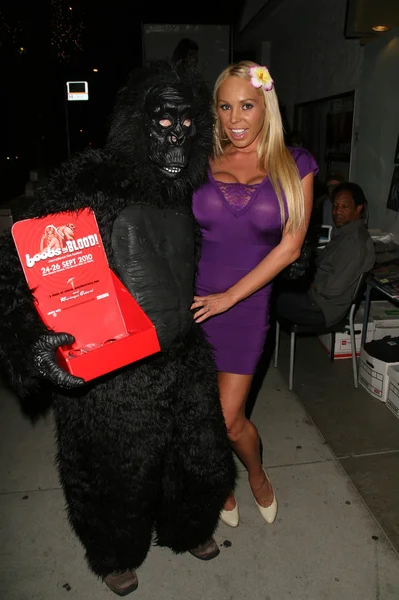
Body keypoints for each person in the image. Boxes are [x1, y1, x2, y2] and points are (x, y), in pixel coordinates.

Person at [0, 61, 236, 596]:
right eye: (162, 124)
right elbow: (16, 269)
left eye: (186, 126)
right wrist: (29, 344)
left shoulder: (191, 189)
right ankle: (114, 553)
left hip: (183, 351)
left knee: (199, 458)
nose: (175, 141)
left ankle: (188, 527)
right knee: (115, 475)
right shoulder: (90, 182)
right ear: (137, 124)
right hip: (115, 366)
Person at [191, 61, 317, 527]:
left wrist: (229, 298)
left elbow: (291, 246)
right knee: (198, 416)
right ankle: (219, 482)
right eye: (225, 106)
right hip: (194, 303)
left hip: (246, 306)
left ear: (266, 106)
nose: (235, 118)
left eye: (246, 105)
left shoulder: (295, 163)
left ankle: (257, 474)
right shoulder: (200, 159)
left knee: (228, 420)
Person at [276, 182, 376, 327]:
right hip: (317, 297)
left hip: (323, 308)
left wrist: (310, 283)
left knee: (268, 298)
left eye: (345, 207)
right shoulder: (345, 233)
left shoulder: (355, 242)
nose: (337, 212)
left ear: (358, 208)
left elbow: (333, 288)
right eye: (335, 206)